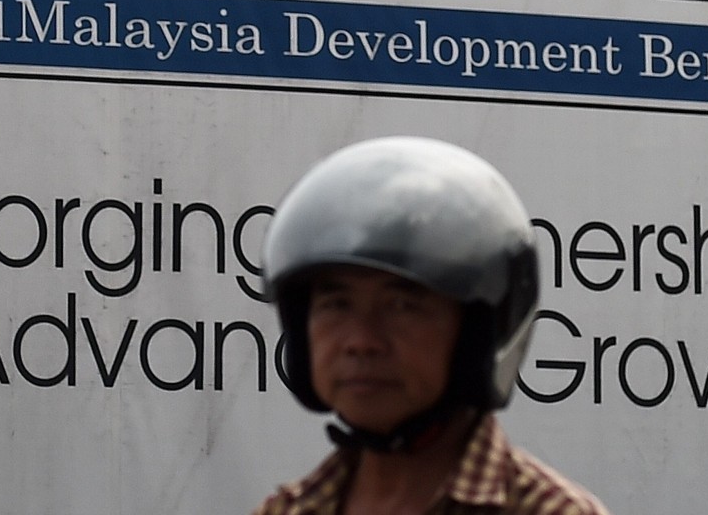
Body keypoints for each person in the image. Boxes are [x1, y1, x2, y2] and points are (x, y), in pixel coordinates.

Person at [253, 136, 611, 515]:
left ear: (474, 335)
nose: (361, 341)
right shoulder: (288, 510)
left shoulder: (549, 512)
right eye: (337, 304)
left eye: (402, 306)